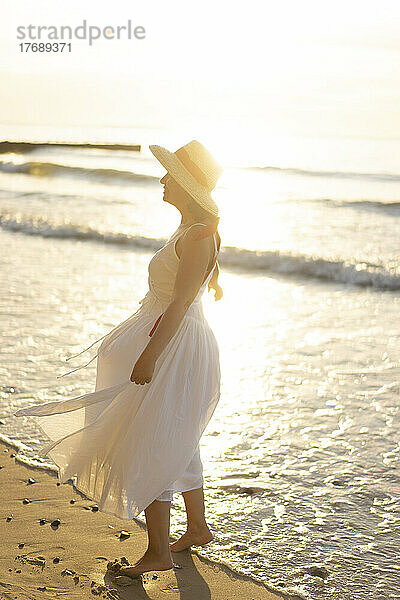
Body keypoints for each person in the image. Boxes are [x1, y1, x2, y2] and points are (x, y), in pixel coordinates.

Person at [14, 139, 223, 579]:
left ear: (188, 185)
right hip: (174, 341)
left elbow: (181, 303)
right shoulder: (191, 231)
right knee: (175, 432)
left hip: (173, 347)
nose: (162, 179)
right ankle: (197, 528)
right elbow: (187, 291)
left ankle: (158, 552)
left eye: (171, 175)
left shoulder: (199, 235)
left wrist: (148, 356)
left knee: (154, 436)